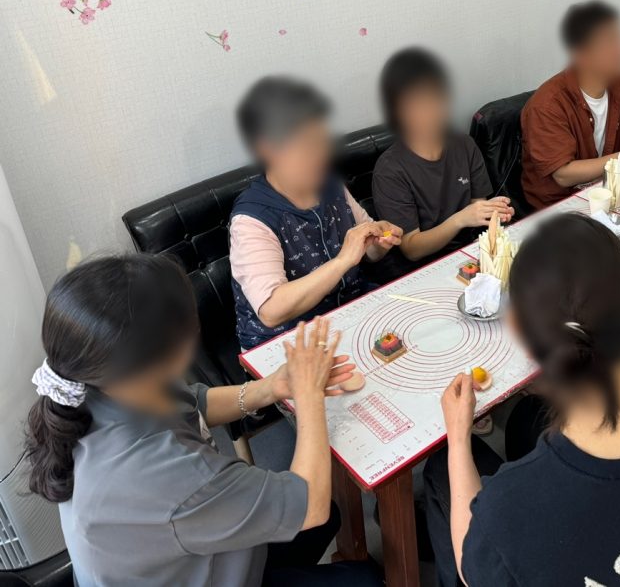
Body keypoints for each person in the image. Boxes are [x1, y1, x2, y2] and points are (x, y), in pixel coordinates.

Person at [24, 254, 382, 587]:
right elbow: (311, 506)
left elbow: (193, 403)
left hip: (195, 548)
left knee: (330, 517)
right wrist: (308, 396)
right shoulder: (166, 474)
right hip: (204, 564)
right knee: (360, 571)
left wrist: (271, 388)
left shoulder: (99, 384)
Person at [423, 215, 620, 587]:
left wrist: (458, 438)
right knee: (527, 418)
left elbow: (472, 571)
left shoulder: (510, 510)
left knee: (440, 468)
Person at [229, 76, 402, 350]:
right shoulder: (252, 218)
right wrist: (343, 260)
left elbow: (369, 250)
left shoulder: (331, 186)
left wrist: (379, 241)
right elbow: (271, 310)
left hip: (348, 315)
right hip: (288, 342)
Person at [521, 0, 620, 209]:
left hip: (610, 193)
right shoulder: (547, 105)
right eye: (608, 44)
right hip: (561, 207)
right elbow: (563, 175)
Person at [373, 47, 512, 264]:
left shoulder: (464, 145)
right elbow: (411, 248)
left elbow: (478, 211)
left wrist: (494, 212)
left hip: (470, 252)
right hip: (426, 266)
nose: (432, 112)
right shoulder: (390, 170)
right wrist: (460, 219)